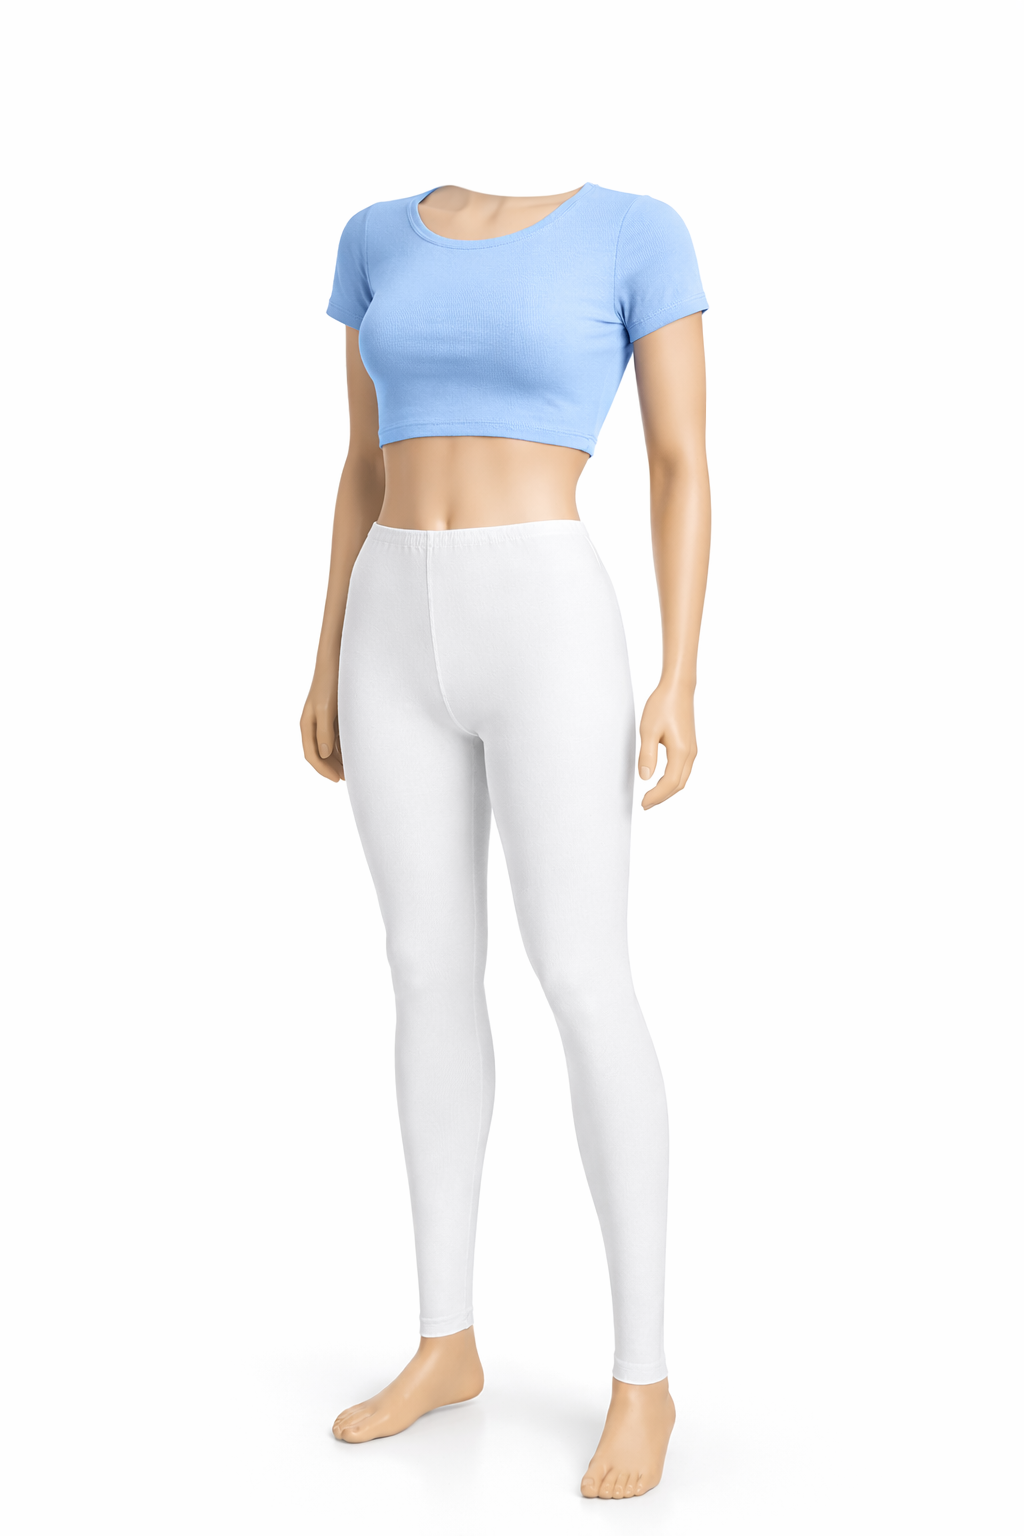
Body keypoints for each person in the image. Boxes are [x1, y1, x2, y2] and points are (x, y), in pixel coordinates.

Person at [300, 181, 711, 1500]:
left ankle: (643, 1377)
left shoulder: (636, 230)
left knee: (584, 976)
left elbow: (680, 461)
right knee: (425, 973)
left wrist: (681, 674)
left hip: (546, 617)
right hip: (388, 617)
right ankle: (445, 1342)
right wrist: (323, 653)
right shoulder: (374, 232)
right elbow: (361, 465)